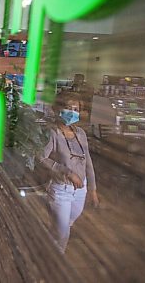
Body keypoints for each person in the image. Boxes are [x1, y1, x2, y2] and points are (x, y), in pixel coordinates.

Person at [40, 91, 99, 253]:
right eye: (68, 107)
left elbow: (88, 162)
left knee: (67, 224)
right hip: (61, 190)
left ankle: (49, 242)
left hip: (81, 189)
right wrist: (66, 172)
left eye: (76, 108)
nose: (73, 112)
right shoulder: (52, 133)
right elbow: (41, 157)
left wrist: (92, 190)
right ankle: (55, 263)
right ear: (58, 109)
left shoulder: (81, 134)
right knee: (63, 233)